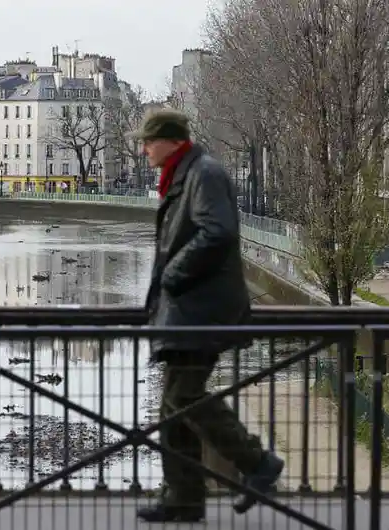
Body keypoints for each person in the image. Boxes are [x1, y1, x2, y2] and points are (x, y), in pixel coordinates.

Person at [129, 109, 284, 523]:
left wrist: (174, 278)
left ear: (172, 141)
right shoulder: (184, 175)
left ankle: (258, 463)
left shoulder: (204, 174)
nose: (144, 148)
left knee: (182, 398)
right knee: (171, 406)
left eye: (149, 140)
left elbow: (218, 231)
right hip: (187, 311)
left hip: (202, 311)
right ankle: (184, 498)